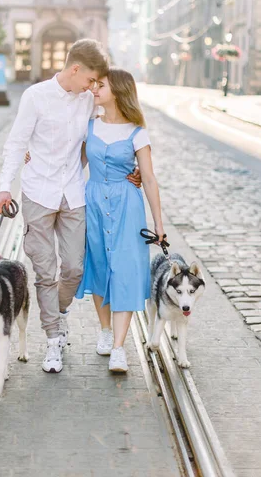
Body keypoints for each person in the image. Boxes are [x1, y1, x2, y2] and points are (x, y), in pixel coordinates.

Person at [0, 40, 140, 374]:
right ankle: (53, 340)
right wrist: (5, 186)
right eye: (90, 79)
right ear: (75, 69)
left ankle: (57, 312)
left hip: (74, 194)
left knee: (73, 268)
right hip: (37, 193)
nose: (93, 87)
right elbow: (16, 143)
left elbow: (112, 130)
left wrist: (131, 168)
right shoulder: (36, 97)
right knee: (45, 272)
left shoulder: (88, 100)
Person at [76, 68, 165, 373]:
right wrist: (34, 158)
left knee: (125, 269)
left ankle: (118, 348)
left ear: (118, 91)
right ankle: (104, 331)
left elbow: (150, 179)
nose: (94, 89)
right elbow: (74, 163)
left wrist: (159, 226)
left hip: (128, 205)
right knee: (99, 265)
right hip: (94, 203)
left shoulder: (138, 132)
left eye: (101, 85)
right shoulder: (89, 126)